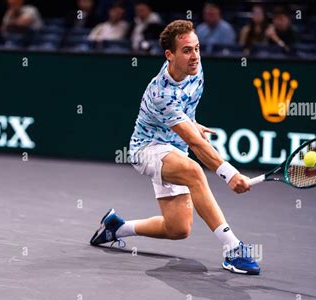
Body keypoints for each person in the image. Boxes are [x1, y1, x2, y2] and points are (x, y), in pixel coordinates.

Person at [90, 20, 260, 275]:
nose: (195, 56)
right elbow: (194, 141)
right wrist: (230, 174)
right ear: (169, 55)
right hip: (147, 149)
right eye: (187, 51)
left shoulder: (195, 68)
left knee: (178, 229)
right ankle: (233, 249)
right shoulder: (161, 93)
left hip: (175, 149)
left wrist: (190, 123)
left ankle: (117, 228)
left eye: (197, 48)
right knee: (194, 172)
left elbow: (187, 113)